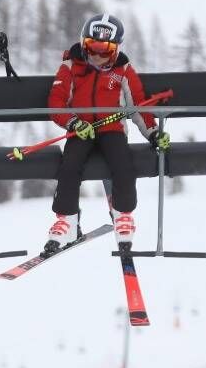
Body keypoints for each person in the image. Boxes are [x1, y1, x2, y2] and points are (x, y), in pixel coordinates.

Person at [43, 13, 169, 251]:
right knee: (69, 166)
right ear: (83, 44)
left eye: (105, 51)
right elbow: (56, 102)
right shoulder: (70, 67)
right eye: (93, 48)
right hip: (82, 130)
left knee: (123, 165)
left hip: (112, 129)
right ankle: (67, 220)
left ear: (116, 49)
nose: (98, 57)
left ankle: (122, 214)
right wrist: (73, 123)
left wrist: (152, 132)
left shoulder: (123, 70)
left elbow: (138, 105)